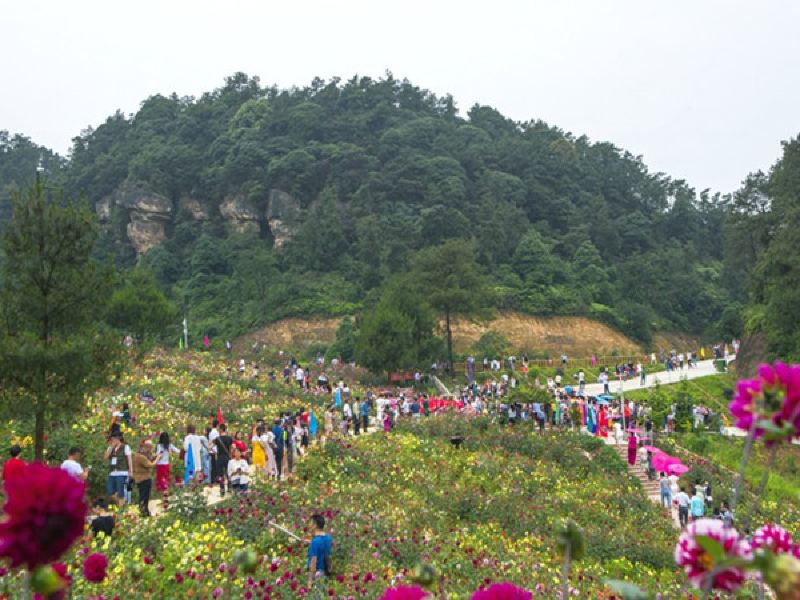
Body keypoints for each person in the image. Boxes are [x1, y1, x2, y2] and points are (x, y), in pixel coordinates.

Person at [104, 432, 133, 503]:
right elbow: (105, 457)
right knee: (110, 491)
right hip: (112, 473)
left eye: (113, 439)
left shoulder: (125, 447)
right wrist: (111, 447)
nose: (112, 441)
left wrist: (131, 471)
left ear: (118, 439)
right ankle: (123, 504)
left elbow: (129, 460)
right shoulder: (110, 448)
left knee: (121, 493)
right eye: (111, 439)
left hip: (122, 472)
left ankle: (121, 509)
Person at [306, 513, 333, 591]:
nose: (309, 525)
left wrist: (310, 581)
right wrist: (311, 542)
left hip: (317, 574)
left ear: (315, 525)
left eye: (311, 523)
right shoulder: (328, 538)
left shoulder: (315, 541)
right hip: (325, 572)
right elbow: (322, 546)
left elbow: (313, 561)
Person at [132, 440, 157, 516]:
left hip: (143, 478)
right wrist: (158, 458)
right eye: (150, 448)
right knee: (144, 496)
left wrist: (154, 457)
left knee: (145, 496)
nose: (151, 450)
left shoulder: (142, 455)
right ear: (146, 447)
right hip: (143, 479)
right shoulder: (140, 456)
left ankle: (145, 511)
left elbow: (149, 459)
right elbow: (150, 464)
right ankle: (143, 511)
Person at [155, 433, 178, 502]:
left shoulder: (159, 445)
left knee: (161, 482)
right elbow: (178, 450)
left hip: (160, 465)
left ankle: (164, 498)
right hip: (166, 465)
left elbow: (158, 454)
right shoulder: (170, 446)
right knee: (166, 481)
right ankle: (166, 497)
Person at [213, 423, 233, 496]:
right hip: (227, 457)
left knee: (220, 474)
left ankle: (222, 489)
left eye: (218, 428)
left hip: (220, 458)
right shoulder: (229, 438)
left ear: (221, 429)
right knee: (228, 473)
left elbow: (209, 446)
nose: (217, 430)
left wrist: (215, 452)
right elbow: (231, 449)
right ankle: (230, 488)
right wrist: (230, 456)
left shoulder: (217, 439)